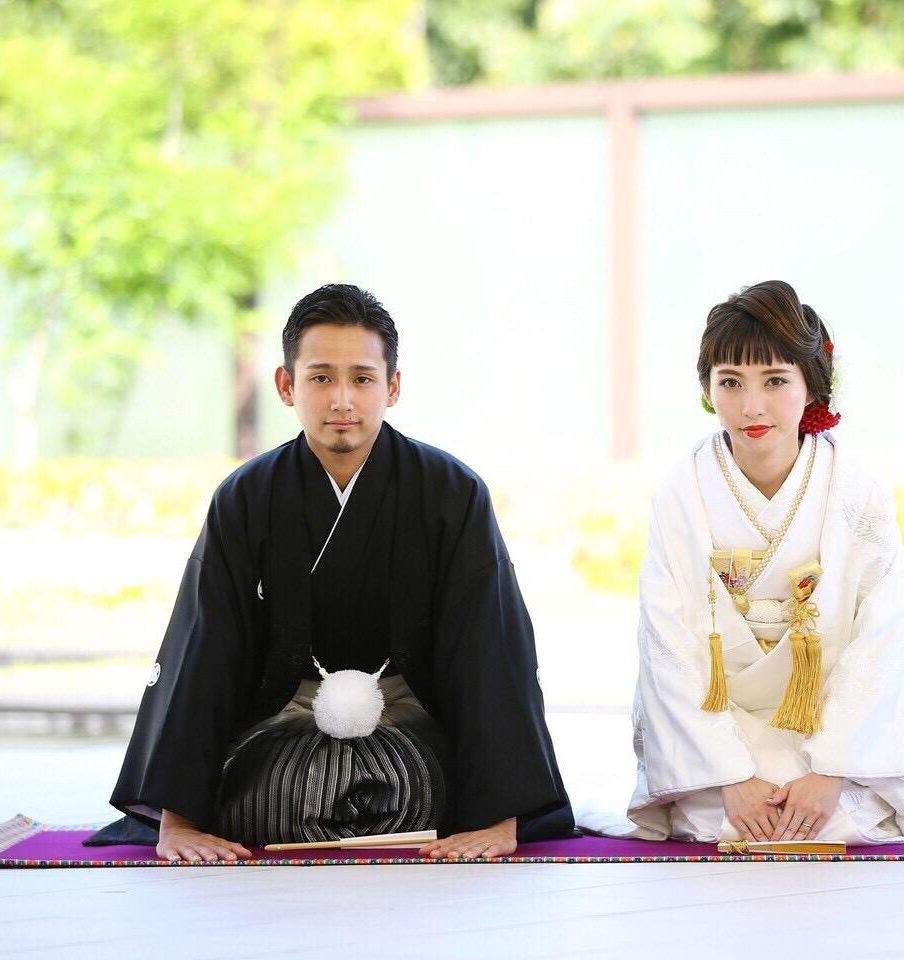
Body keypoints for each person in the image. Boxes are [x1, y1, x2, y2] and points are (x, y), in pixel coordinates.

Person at [108, 283, 574, 861]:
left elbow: (488, 645)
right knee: (280, 794)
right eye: (321, 377)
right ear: (287, 385)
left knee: (412, 785)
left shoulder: (451, 492)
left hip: (409, 713)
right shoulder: (246, 497)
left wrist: (500, 819)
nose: (342, 400)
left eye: (363, 378)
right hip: (287, 713)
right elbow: (205, 645)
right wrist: (178, 821)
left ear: (393, 387)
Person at [628, 280, 904, 844]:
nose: (752, 406)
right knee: (725, 819)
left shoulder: (857, 491)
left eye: (775, 380)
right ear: (706, 389)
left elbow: (883, 636)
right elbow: (666, 643)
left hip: (830, 725)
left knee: (837, 817)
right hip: (722, 733)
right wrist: (730, 775)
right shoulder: (681, 493)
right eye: (730, 382)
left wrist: (832, 769)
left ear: (812, 385)